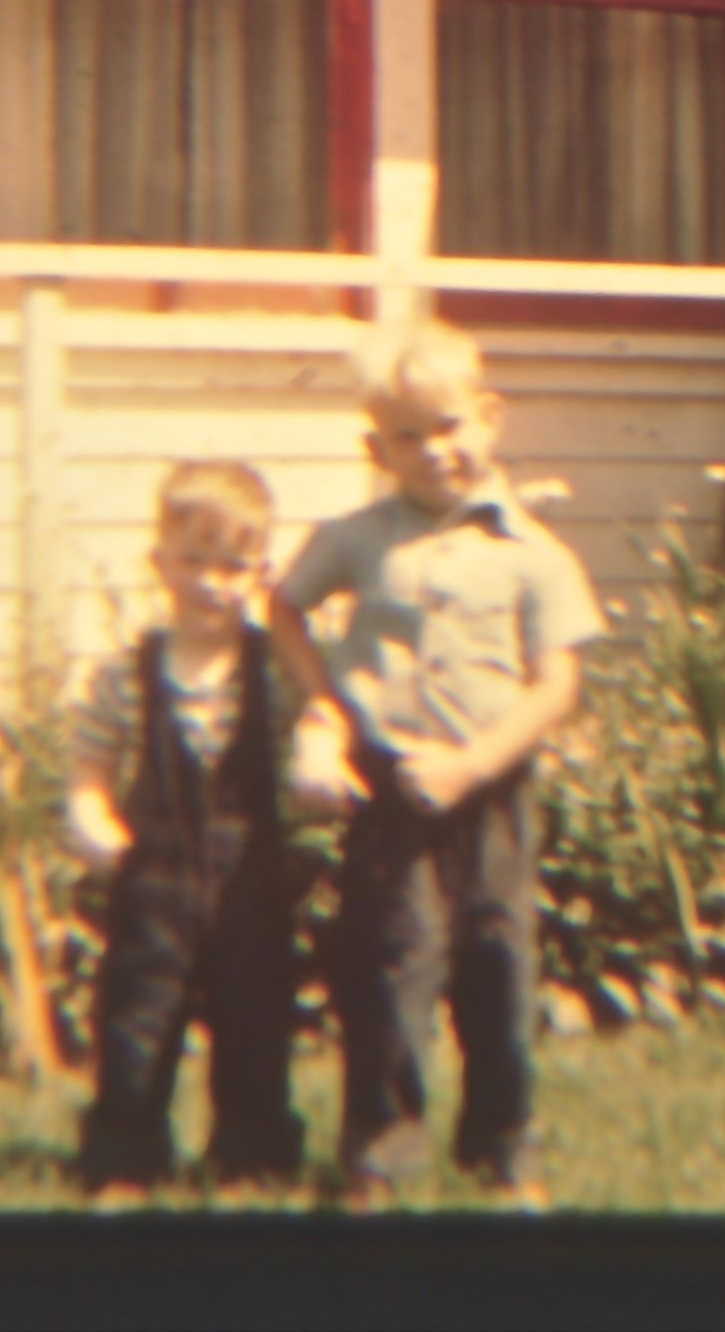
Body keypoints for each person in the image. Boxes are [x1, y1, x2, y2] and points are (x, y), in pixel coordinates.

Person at [269, 322, 605, 1212]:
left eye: (450, 426)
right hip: (390, 791)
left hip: (488, 789)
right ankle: (378, 1156)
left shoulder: (532, 553)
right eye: (407, 435)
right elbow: (284, 611)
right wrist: (332, 710)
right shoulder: (356, 538)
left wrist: (474, 763)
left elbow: (559, 684)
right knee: (394, 968)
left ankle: (505, 1149)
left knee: (499, 964)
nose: (433, 451)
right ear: (374, 446)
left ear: (490, 419)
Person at [65, 459, 308, 1199]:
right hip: (155, 877)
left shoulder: (277, 672)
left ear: (261, 572)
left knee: (256, 1018)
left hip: (253, 880)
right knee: (138, 1020)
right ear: (160, 562)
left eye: (234, 566)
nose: (212, 581)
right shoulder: (124, 674)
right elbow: (88, 773)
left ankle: (251, 1157)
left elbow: (315, 742)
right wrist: (90, 819)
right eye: (194, 561)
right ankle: (126, 1156)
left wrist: (319, 773)